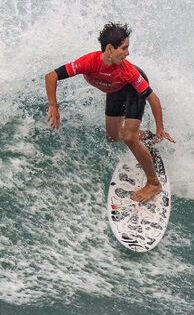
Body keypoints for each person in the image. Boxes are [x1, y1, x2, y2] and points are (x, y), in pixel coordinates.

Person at [45, 22, 175, 202]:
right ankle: (144, 136)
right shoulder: (88, 62)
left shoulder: (128, 71)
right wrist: (53, 105)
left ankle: (153, 184)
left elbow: (153, 99)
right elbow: (51, 76)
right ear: (109, 48)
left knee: (129, 138)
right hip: (114, 90)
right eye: (124, 48)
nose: (128, 53)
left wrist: (161, 127)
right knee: (113, 137)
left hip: (132, 91)